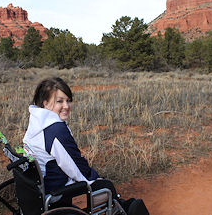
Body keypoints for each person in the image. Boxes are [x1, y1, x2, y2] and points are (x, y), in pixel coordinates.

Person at [23, 77, 149, 215]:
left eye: (68, 100)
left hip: (36, 189)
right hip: (53, 190)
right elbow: (75, 166)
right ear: (46, 103)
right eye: (60, 101)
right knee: (105, 186)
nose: (66, 106)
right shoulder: (56, 130)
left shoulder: (37, 122)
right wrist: (95, 178)